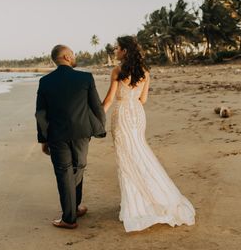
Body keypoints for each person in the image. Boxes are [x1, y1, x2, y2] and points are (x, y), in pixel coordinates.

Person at [102, 36, 195, 232]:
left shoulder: (118, 70)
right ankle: (157, 197)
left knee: (127, 157)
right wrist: (131, 101)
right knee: (139, 151)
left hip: (122, 115)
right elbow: (143, 99)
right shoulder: (145, 71)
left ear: (125, 51)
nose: (115, 51)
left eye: (117, 48)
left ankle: (136, 204)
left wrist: (95, 117)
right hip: (137, 114)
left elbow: (109, 99)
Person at [35, 45, 106, 229]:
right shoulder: (85, 77)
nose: (74, 56)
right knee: (78, 166)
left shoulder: (45, 81)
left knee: (64, 172)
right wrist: (98, 127)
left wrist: (43, 140)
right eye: (73, 54)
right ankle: (71, 214)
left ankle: (71, 213)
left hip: (57, 135)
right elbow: (96, 106)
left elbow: (41, 114)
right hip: (82, 132)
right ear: (66, 56)